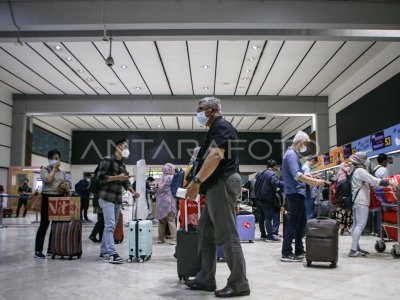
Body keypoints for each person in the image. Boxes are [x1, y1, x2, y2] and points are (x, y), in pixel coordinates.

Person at [185, 97, 250, 298]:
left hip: (223, 183)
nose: (198, 113)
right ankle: (206, 278)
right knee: (205, 230)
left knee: (227, 234)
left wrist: (196, 181)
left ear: (212, 110)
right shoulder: (215, 128)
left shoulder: (222, 126)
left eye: (201, 109)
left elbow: (215, 156)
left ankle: (239, 283)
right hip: (216, 185)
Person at [281, 131, 327, 262]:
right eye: (305, 143)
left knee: (300, 223)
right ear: (300, 142)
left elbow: (298, 173)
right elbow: (296, 175)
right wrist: (314, 182)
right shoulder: (291, 155)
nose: (305, 146)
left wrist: (311, 177)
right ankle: (286, 252)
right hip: (295, 192)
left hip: (298, 192)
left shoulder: (293, 154)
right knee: (293, 223)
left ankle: (299, 249)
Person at [97, 138, 139, 264]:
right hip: (106, 197)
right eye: (125, 146)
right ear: (118, 147)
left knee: (111, 226)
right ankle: (112, 253)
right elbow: (100, 178)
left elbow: (125, 181)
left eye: (127, 147)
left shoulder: (122, 165)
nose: (127, 149)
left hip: (117, 198)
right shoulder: (107, 160)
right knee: (110, 225)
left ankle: (104, 251)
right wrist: (117, 177)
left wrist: (133, 192)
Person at [348, 152, 397, 257]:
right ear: (361, 160)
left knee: (357, 225)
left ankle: (355, 247)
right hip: (361, 201)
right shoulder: (360, 171)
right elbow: (374, 180)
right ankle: (353, 250)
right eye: (365, 158)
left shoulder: (354, 170)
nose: (367, 161)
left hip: (357, 201)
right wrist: (391, 183)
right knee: (360, 225)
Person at [34, 149, 67, 259]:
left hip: (59, 198)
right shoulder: (45, 169)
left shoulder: (62, 172)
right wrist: (54, 168)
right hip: (47, 198)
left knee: (56, 225)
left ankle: (51, 249)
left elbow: (64, 183)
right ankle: (38, 250)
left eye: (57, 158)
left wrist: (65, 187)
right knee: (44, 224)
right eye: (53, 159)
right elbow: (48, 180)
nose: (55, 160)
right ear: (49, 160)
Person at [254, 159, 284, 242]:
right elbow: (274, 182)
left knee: (261, 217)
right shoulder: (272, 174)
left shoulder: (261, 173)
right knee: (268, 218)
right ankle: (270, 236)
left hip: (258, 198)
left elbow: (256, 185)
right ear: (274, 166)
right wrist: (284, 184)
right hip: (266, 199)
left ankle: (263, 234)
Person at [156, 163, 178, 245]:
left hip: (160, 202)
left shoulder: (160, 178)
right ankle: (174, 239)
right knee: (171, 220)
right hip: (169, 201)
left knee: (161, 221)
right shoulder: (172, 177)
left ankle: (160, 239)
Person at [334, 162, 353, 235]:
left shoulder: (342, 174)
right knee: (345, 214)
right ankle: (343, 229)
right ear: (342, 167)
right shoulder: (343, 175)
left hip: (342, 199)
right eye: (345, 165)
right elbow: (344, 188)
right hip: (344, 199)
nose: (347, 167)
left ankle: (344, 229)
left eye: (348, 165)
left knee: (344, 215)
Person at [302, 156, 318, 220]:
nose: (313, 164)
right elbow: (307, 181)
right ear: (312, 160)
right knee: (309, 212)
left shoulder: (303, 167)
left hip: (305, 192)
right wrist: (316, 180)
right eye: (314, 163)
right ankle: (309, 227)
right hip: (308, 192)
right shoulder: (307, 168)